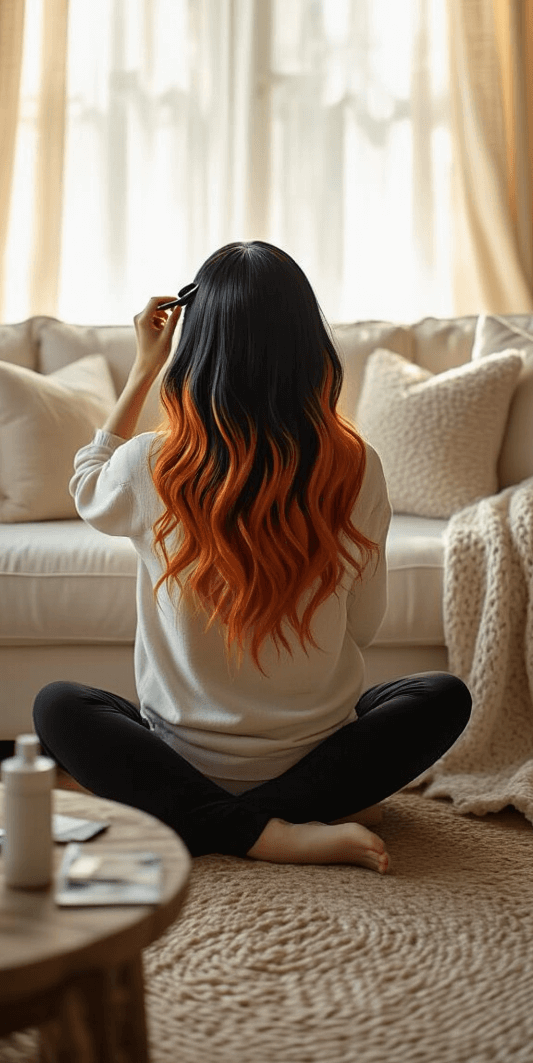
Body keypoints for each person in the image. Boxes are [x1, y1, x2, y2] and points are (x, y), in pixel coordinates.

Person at [33, 242, 471, 872]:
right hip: (315, 757)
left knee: (59, 708)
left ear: (197, 349)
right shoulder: (358, 466)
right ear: (307, 346)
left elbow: (86, 486)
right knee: (442, 696)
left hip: (182, 757)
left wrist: (141, 371)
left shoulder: (147, 466)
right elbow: (363, 629)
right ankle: (285, 824)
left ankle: (206, 817)